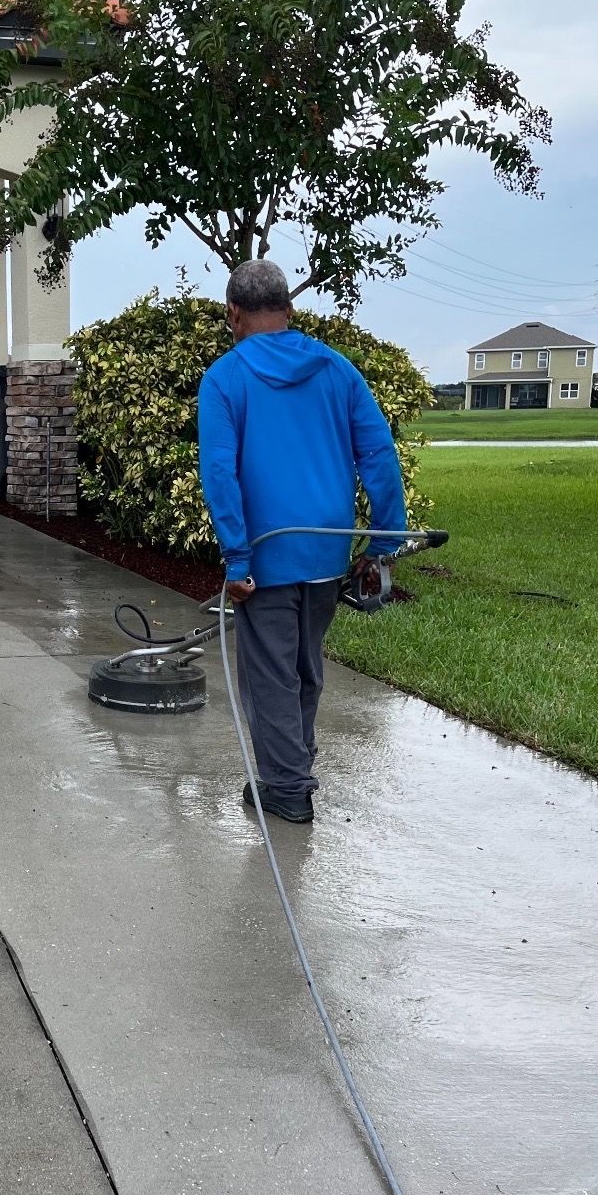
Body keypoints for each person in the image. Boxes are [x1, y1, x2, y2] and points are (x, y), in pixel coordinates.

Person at [197, 259, 407, 825]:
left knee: (270, 673)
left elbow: (219, 474)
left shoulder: (224, 379)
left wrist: (236, 557)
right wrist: (383, 539)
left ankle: (288, 789)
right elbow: (378, 454)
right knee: (304, 664)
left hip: (267, 554)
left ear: (233, 314)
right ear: (289, 309)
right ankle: (295, 764)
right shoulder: (337, 370)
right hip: (326, 550)